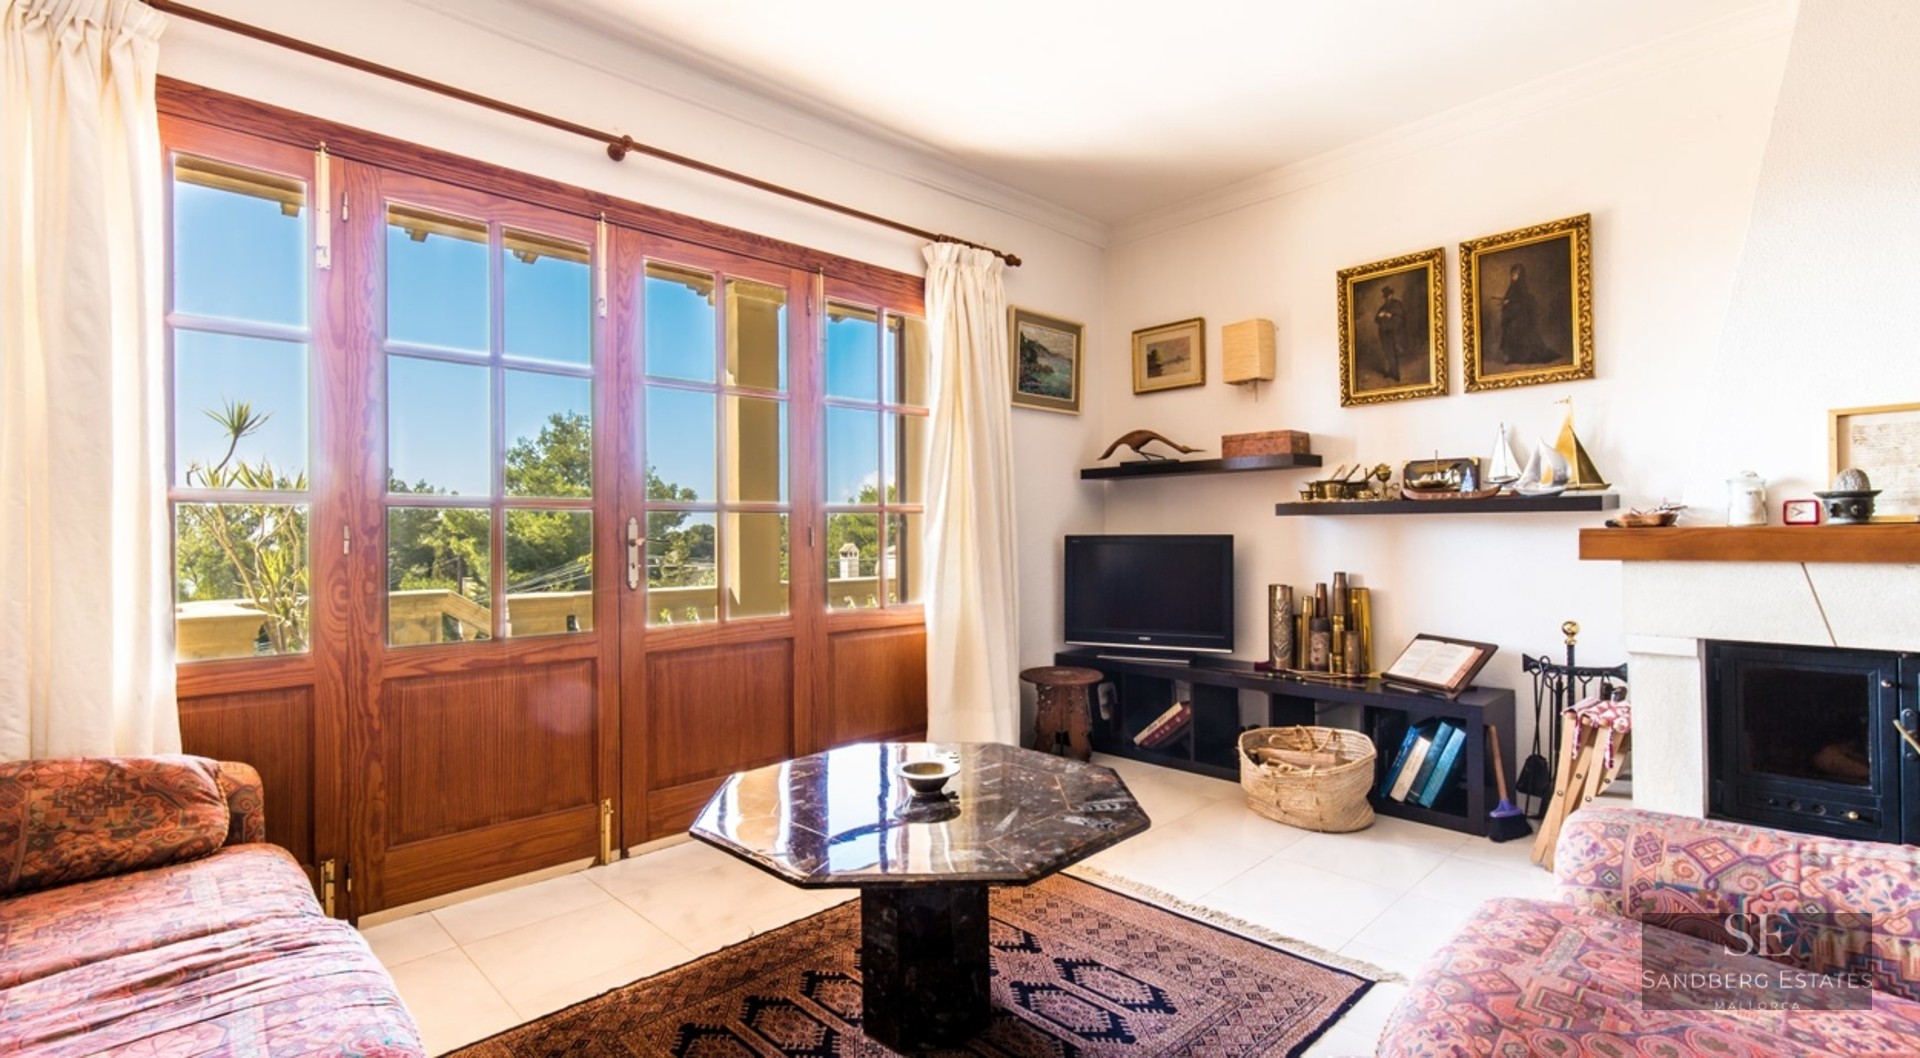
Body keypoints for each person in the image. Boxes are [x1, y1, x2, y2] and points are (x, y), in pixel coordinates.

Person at [1496, 262, 1554, 365]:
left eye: (1515, 274)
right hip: (1512, 316)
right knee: (1508, 329)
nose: (1513, 276)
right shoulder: (1511, 287)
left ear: (1519, 275)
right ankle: (1511, 356)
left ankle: (1519, 356)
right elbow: (1509, 299)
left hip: (1520, 317)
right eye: (1511, 274)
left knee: (1514, 329)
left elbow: (1523, 302)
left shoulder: (1521, 287)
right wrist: (1505, 302)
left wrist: (1510, 303)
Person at [1373, 284, 1406, 382]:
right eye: (1385, 296)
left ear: (1391, 295)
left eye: (1388, 295)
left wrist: (1390, 316)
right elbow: (1376, 319)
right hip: (1384, 333)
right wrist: (1381, 316)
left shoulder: (1397, 304)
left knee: (1394, 352)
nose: (1387, 297)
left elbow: (1401, 317)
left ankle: (1396, 374)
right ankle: (1391, 371)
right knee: (1387, 352)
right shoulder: (1383, 307)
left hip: (1394, 332)